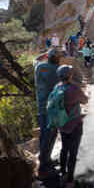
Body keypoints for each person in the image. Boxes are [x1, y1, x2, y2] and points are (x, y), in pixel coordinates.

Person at [55, 65, 88, 188]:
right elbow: (85, 100)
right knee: (72, 154)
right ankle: (70, 183)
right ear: (70, 75)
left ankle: (63, 175)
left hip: (62, 124)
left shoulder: (57, 88)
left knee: (64, 149)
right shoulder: (74, 88)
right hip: (74, 125)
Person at [33, 48, 62, 180]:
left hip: (42, 108)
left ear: (47, 57)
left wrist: (43, 54)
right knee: (49, 136)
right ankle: (42, 168)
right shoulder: (57, 70)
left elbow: (35, 60)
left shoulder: (40, 67)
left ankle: (46, 159)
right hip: (53, 109)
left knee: (47, 135)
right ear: (57, 59)